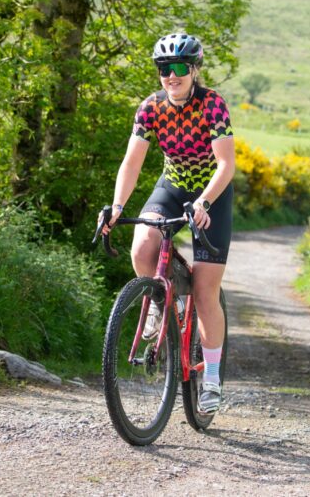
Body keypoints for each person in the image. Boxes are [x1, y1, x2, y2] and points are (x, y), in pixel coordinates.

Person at [103, 33, 235, 414]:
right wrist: (116, 206)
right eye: (164, 69)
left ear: (194, 70)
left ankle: (210, 378)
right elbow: (132, 163)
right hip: (174, 185)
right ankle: (163, 297)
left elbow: (226, 164)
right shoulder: (150, 108)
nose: (171, 76)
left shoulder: (213, 105)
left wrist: (206, 201)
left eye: (179, 68)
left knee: (206, 288)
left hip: (213, 191)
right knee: (143, 246)